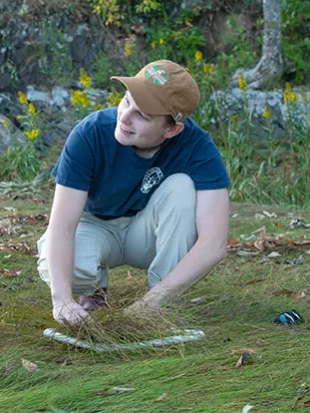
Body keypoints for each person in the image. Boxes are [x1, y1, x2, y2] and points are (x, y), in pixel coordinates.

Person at [37, 60, 230, 326]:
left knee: (183, 187)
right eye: (126, 102)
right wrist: (61, 301)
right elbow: (61, 226)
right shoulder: (91, 132)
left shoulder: (197, 146)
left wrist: (149, 304)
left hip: (147, 231)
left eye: (143, 115)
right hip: (93, 225)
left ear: (172, 129)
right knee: (57, 266)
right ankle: (93, 291)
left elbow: (214, 244)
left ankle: (163, 300)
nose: (125, 117)